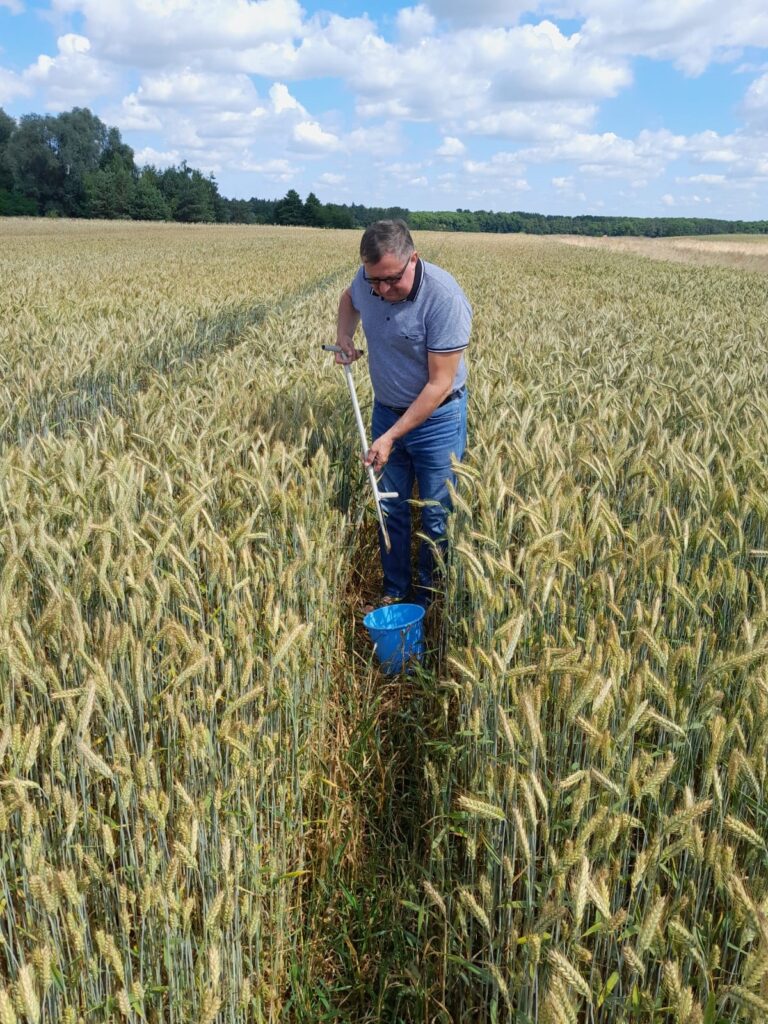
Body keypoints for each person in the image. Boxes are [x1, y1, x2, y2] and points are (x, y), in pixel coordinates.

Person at [334, 219, 472, 610]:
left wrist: (391, 436)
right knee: (389, 504)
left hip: (437, 422)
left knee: (436, 515)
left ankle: (429, 597)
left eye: (391, 280)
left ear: (415, 259)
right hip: (386, 411)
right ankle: (396, 589)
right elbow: (349, 299)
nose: (381, 289)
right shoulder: (369, 281)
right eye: (374, 280)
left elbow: (439, 384)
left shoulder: (443, 298)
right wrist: (345, 335)